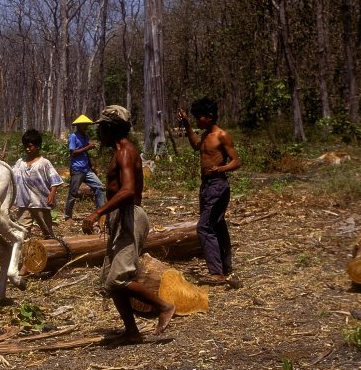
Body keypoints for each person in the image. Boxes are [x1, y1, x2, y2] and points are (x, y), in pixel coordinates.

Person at [82, 105, 175, 344]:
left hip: (130, 215)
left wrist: (97, 212)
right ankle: (131, 331)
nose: (99, 133)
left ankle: (164, 306)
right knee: (110, 281)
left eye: (102, 128)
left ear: (111, 128)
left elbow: (128, 190)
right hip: (120, 216)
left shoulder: (125, 151)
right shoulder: (119, 150)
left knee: (118, 279)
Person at [177, 97, 242, 286]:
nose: (198, 121)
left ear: (210, 117)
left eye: (200, 118)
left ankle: (217, 273)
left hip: (218, 185)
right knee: (217, 224)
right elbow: (195, 146)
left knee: (204, 227)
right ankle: (225, 267)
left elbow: (236, 162)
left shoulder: (222, 135)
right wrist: (188, 125)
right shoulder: (205, 135)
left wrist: (221, 169)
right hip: (206, 185)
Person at [12, 129, 64, 276]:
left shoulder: (44, 163)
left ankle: (55, 258)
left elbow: (55, 180)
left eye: (31, 146)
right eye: (26, 146)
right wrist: (2, 162)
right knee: (22, 233)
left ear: (38, 146)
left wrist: (52, 195)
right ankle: (25, 264)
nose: (28, 149)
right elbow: (11, 173)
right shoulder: (20, 162)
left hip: (41, 202)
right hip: (24, 203)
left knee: (47, 232)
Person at [64, 115, 106, 221]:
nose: (86, 126)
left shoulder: (85, 136)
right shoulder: (73, 137)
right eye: (83, 125)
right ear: (78, 126)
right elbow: (72, 152)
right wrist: (87, 147)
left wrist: (91, 167)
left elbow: (86, 153)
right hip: (77, 169)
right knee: (73, 193)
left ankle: (100, 212)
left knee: (99, 187)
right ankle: (68, 216)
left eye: (86, 125)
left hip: (86, 169)